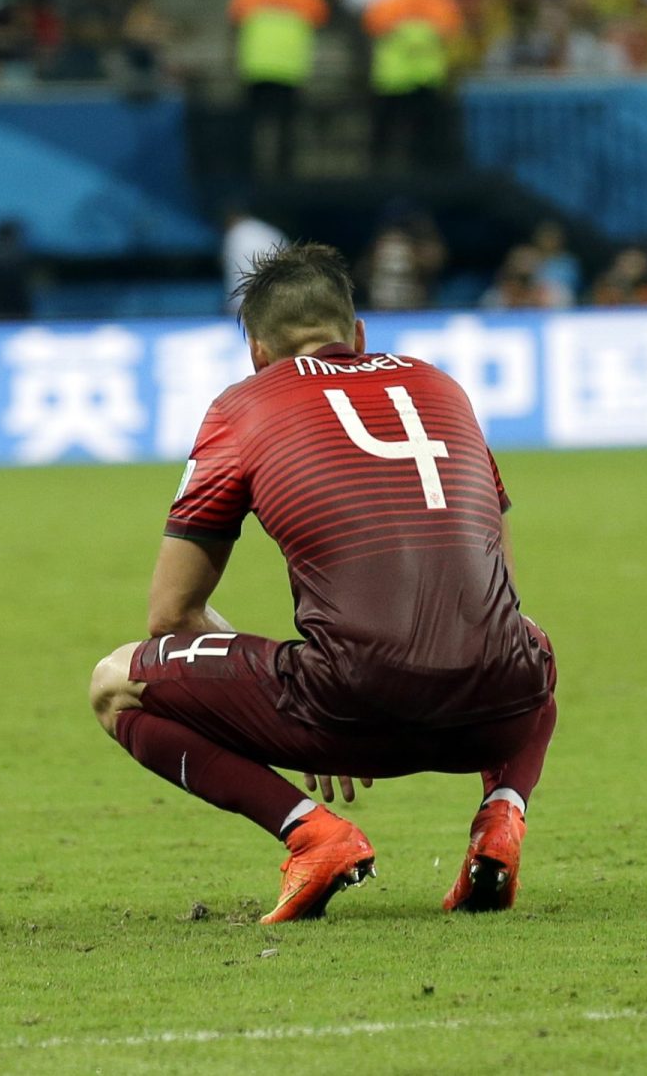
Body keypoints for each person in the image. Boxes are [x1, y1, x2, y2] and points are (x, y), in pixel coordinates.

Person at [87, 243, 558, 920]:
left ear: (256, 352)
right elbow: (496, 585)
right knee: (528, 638)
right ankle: (502, 815)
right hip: (494, 709)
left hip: (349, 706)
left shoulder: (242, 404)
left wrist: (294, 691)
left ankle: (314, 833)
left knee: (114, 682)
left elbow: (172, 611)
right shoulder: (441, 385)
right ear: (359, 333)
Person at [228, 0, 329, 181]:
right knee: (286, 122)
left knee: (253, 119)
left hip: (256, 60)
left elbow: (236, 15)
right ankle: (283, 169)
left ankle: (248, 168)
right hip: (289, 62)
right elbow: (319, 15)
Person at [364, 0, 465, 172]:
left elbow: (372, 23)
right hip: (426, 77)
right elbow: (451, 29)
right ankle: (424, 175)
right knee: (425, 137)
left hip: (393, 76)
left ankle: (376, 174)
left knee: (384, 135)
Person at [221, 205, 289, 311]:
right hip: (281, 300)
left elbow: (232, 272)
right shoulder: (271, 232)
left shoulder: (236, 234)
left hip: (247, 304)